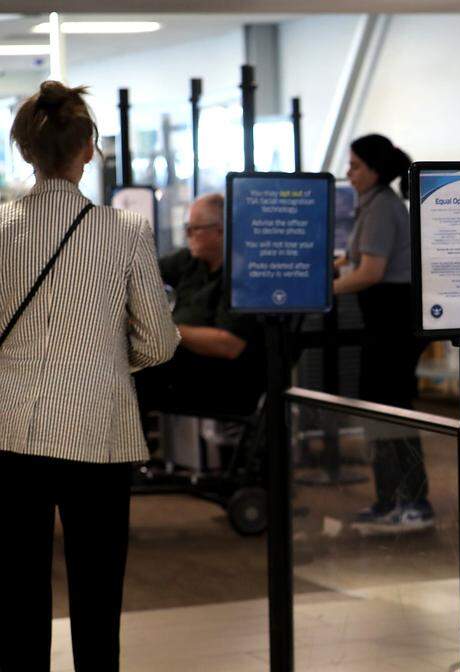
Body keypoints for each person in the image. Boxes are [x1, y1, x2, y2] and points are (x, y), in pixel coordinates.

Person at [0, 81, 180, 671]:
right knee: (98, 595)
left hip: (7, 433)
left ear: (26, 152)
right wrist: (102, 360)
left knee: (18, 594)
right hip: (97, 433)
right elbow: (157, 342)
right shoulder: (126, 232)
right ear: (87, 151)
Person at [334, 134, 434, 534]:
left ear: (374, 170)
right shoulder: (374, 205)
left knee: (391, 411)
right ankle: (391, 498)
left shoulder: (381, 208)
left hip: (391, 321)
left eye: (355, 165)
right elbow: (354, 258)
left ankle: (411, 501)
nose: (348, 172)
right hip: (383, 321)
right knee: (383, 411)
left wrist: (326, 289)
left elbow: (370, 272)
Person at [133, 193, 265, 418]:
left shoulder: (245, 274)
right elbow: (136, 271)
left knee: (131, 378)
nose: (188, 236)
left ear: (220, 231)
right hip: (179, 366)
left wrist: (164, 329)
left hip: (220, 380)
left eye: (194, 229)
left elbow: (229, 345)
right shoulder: (192, 261)